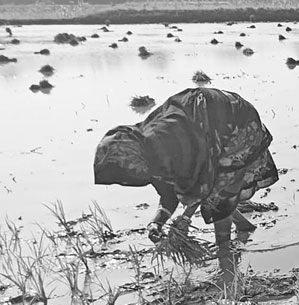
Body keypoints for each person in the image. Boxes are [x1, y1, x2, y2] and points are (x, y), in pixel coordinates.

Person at [93, 87, 278, 255]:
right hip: (208, 132)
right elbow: (168, 195)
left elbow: (205, 178)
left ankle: (225, 251)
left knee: (219, 194)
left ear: (131, 155)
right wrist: (156, 223)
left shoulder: (168, 142)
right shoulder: (151, 155)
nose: (133, 174)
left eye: (129, 169)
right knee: (213, 191)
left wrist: (184, 220)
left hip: (235, 122)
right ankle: (244, 227)